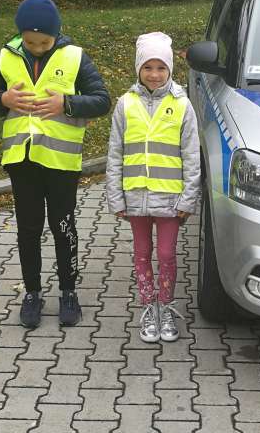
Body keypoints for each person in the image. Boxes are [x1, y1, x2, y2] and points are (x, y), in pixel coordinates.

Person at [0, 0, 110, 329]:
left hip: (60, 162)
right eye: (30, 41)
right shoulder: (6, 56)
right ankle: (32, 293)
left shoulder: (75, 57)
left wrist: (67, 104)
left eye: (44, 42)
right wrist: (4, 99)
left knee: (63, 226)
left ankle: (68, 292)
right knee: (28, 229)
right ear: (20, 35)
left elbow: (101, 100)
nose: (37, 47)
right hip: (22, 161)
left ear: (58, 33)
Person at [106, 31, 200, 343]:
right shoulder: (125, 104)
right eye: (148, 67)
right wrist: (115, 196)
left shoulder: (182, 105)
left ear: (171, 70)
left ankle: (167, 306)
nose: (155, 74)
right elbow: (115, 153)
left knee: (167, 254)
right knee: (142, 254)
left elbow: (191, 155)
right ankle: (148, 308)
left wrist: (188, 198)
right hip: (135, 199)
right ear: (138, 69)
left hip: (170, 200)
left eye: (161, 68)